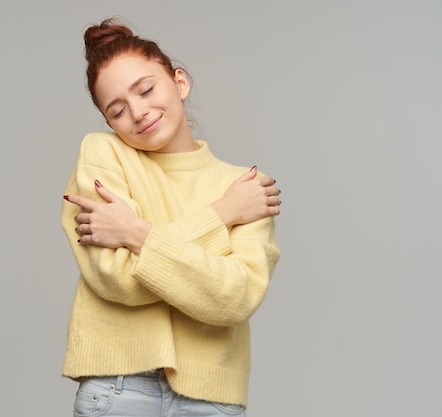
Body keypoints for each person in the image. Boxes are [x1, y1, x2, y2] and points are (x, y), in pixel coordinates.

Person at [61, 17, 281, 416]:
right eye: (118, 111)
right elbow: (117, 279)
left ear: (179, 82)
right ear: (109, 123)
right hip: (116, 388)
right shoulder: (103, 156)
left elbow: (235, 297)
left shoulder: (246, 186)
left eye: (146, 90)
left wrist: (134, 232)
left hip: (212, 398)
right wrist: (223, 215)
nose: (140, 112)